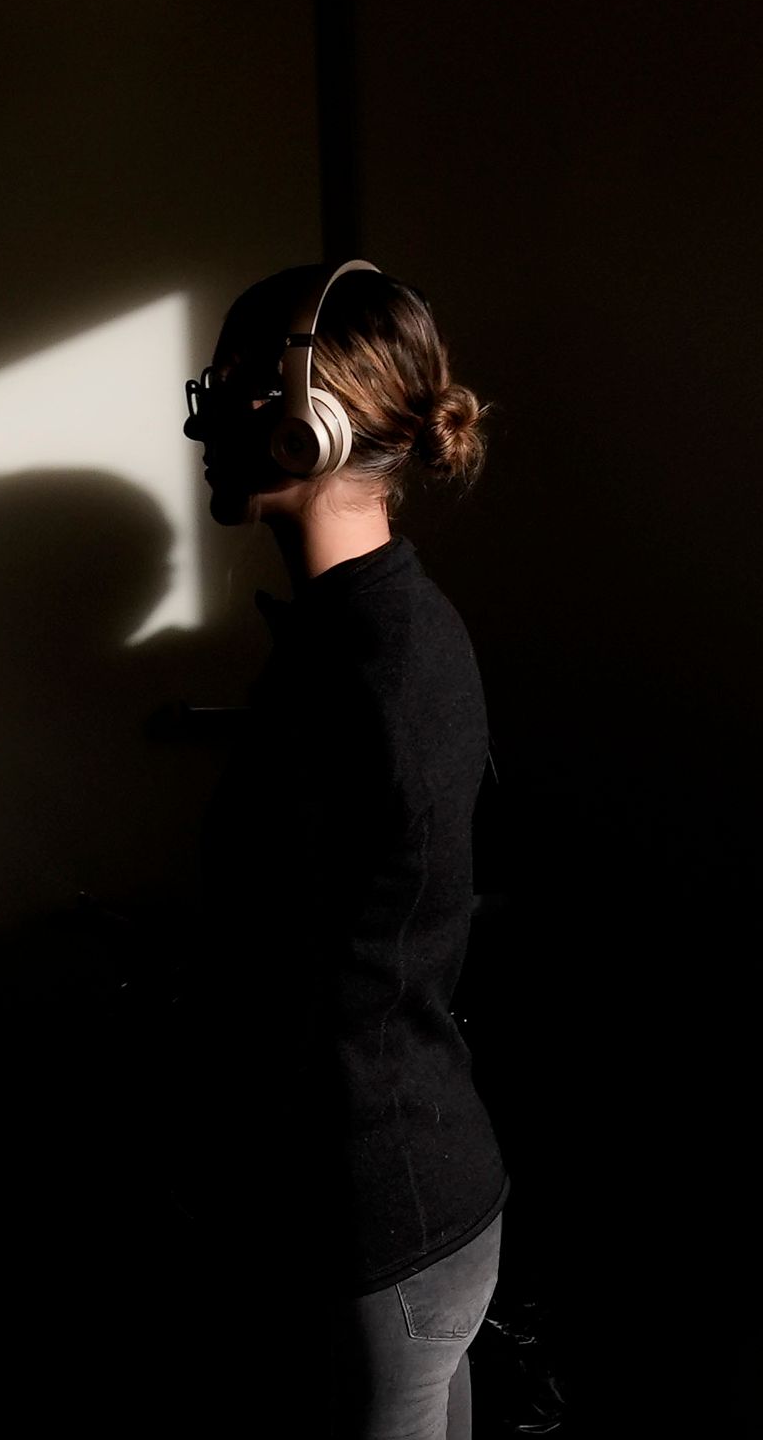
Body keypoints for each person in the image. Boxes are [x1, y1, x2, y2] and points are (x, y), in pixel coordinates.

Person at [187, 260, 506, 1440]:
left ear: (305, 419)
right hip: (397, 1195)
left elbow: (325, 954)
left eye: (229, 385)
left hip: (385, 1212)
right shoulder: (364, 630)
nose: (205, 418)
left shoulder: (377, 661)